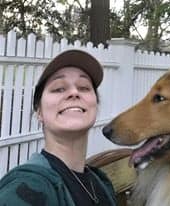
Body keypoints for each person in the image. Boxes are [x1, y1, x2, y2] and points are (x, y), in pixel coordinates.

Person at [0, 50, 117, 206]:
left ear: (95, 104)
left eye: (84, 87)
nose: (74, 92)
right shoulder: (27, 188)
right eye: (59, 88)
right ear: (39, 112)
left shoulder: (101, 182)